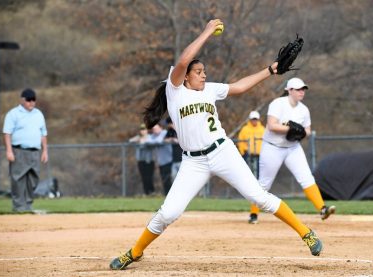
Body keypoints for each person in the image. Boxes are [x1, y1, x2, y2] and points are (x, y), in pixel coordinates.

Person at [110, 19, 323, 270]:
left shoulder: (210, 90)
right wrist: (207, 32)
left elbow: (240, 87)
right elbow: (181, 62)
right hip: (194, 161)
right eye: (198, 72)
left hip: (222, 151)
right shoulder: (175, 90)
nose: (204, 75)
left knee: (259, 197)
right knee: (168, 213)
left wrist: (270, 70)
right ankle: (135, 252)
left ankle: (306, 233)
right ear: (186, 77)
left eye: (204, 72)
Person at [248, 78, 335, 224]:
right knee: (264, 183)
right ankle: (253, 214)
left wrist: (300, 132)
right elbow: (271, 126)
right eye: (298, 89)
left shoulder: (304, 110)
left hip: (292, 148)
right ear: (289, 90)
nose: (302, 92)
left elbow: (307, 131)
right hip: (272, 147)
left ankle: (322, 209)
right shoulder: (277, 104)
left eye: (303, 89)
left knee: (306, 177)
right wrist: (291, 129)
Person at [3, 88, 48, 212]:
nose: (31, 103)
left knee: (34, 179)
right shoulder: (13, 114)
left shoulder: (38, 114)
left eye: (33, 100)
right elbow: (7, 133)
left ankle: (28, 205)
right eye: (29, 100)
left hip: (35, 152)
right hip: (19, 151)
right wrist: (9, 151)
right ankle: (19, 206)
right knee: (18, 179)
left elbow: (43, 133)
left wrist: (45, 151)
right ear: (22, 100)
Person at [129, 124, 155, 195]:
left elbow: (151, 143)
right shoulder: (138, 138)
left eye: (144, 129)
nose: (143, 131)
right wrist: (138, 140)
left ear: (147, 130)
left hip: (149, 160)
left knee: (149, 176)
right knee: (143, 177)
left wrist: (143, 142)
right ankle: (146, 192)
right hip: (141, 161)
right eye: (141, 130)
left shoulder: (150, 137)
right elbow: (130, 141)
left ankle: (152, 192)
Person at [237, 111, 265, 177]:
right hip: (247, 154)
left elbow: (266, 142)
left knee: (259, 173)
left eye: (256, 119)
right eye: (253, 119)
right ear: (250, 119)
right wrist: (243, 152)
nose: (254, 121)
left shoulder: (263, 129)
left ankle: (258, 185)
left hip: (260, 155)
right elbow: (240, 141)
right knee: (246, 173)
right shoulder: (245, 129)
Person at [147, 123, 173, 195]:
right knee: (164, 180)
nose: (154, 131)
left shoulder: (164, 133)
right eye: (153, 129)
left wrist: (154, 141)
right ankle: (167, 195)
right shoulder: (154, 136)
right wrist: (154, 140)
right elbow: (148, 141)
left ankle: (170, 195)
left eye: (156, 128)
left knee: (168, 180)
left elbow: (158, 141)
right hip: (161, 162)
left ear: (161, 128)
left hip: (168, 161)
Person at [164, 117, 183, 182]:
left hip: (182, 159)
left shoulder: (180, 129)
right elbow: (165, 140)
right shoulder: (170, 131)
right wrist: (171, 139)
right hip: (174, 159)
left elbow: (184, 140)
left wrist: (176, 140)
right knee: (173, 177)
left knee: (182, 178)